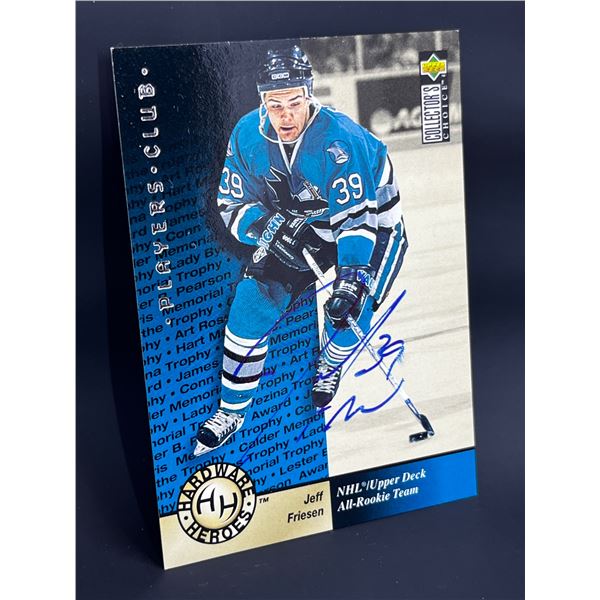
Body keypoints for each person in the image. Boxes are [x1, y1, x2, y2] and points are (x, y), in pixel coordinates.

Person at [193, 45, 407, 457]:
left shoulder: (340, 140)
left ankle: (330, 363)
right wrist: (270, 229)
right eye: (275, 104)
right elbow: (231, 203)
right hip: (302, 226)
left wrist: (350, 280)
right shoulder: (246, 135)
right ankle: (231, 411)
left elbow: (356, 221)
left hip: (373, 225)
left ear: (309, 93)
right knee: (250, 305)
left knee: (351, 309)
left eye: (294, 102)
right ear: (262, 101)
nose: (286, 115)